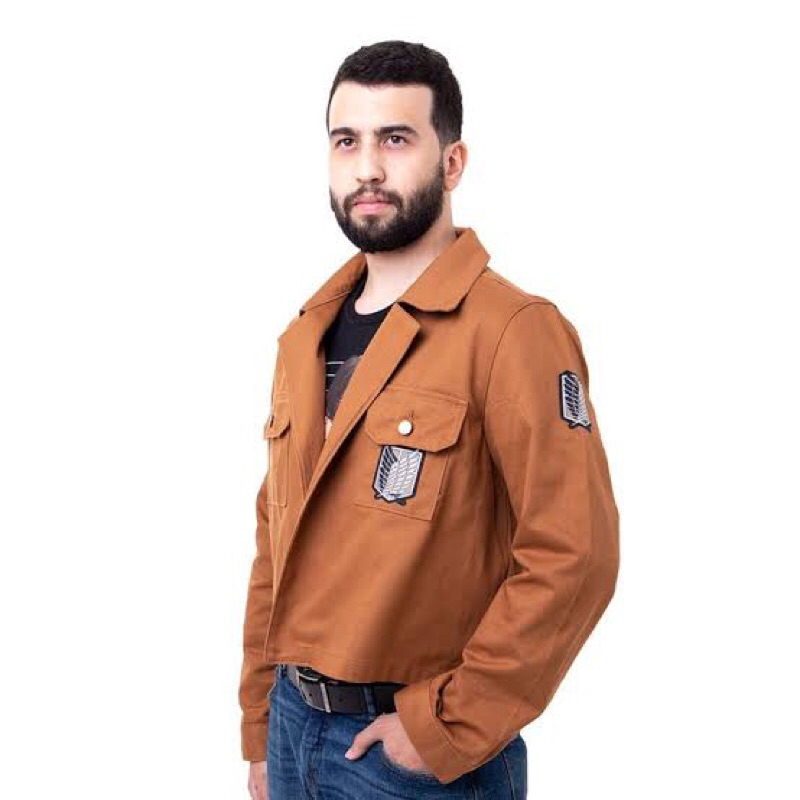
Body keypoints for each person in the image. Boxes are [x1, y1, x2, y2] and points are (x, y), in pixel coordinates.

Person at [239, 39, 620, 799]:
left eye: (395, 139)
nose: (367, 168)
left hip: (414, 756)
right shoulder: (303, 337)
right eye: (346, 141)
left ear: (452, 163)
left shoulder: (514, 332)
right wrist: (260, 724)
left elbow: (575, 554)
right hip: (291, 727)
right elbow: (273, 550)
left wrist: (447, 724)